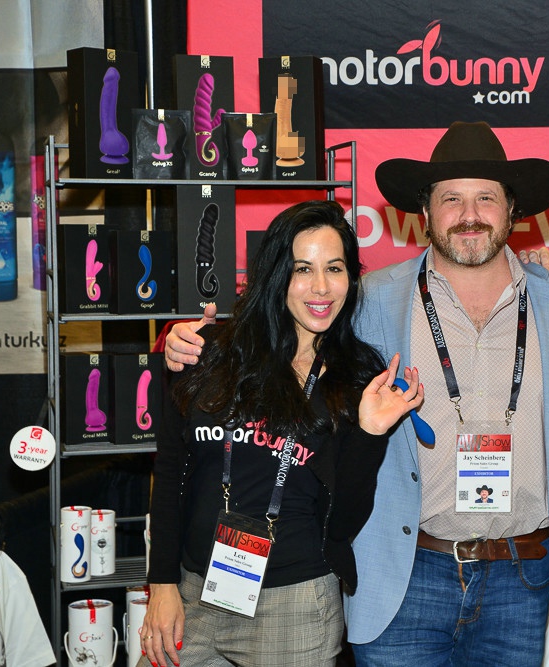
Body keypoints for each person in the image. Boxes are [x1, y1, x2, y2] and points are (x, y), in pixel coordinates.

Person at [164, 121, 549, 665]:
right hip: (404, 576)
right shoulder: (367, 300)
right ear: (424, 211)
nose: (470, 214)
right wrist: (184, 342)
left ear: (513, 210)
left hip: (521, 580)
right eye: (451, 199)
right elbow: (276, 329)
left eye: (486, 198)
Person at [140, 200, 423, 667]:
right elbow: (170, 472)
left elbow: (344, 522)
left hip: (294, 609)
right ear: (275, 274)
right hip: (192, 595)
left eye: (334, 268)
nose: (321, 286)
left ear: (351, 278)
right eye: (302, 269)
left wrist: (370, 433)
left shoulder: (358, 378)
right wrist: (162, 584)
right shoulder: (205, 352)